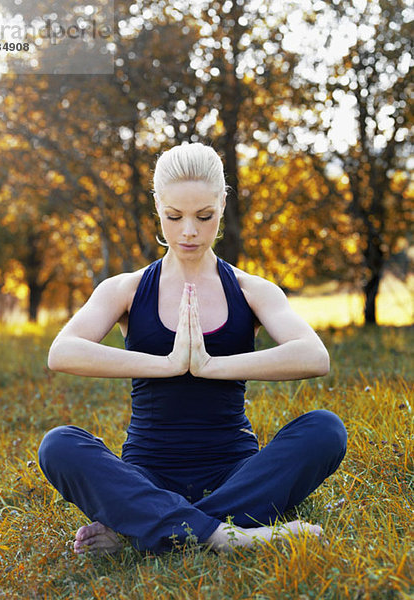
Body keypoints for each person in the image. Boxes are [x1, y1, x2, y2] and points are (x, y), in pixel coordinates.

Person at [38, 142, 347, 555]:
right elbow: (62, 352)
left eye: (204, 216)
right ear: (157, 208)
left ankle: (145, 528)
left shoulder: (252, 290)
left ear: (222, 204)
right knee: (58, 445)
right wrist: (167, 365)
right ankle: (224, 535)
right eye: (174, 216)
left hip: (235, 472)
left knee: (326, 430)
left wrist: (208, 365)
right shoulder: (125, 289)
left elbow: (315, 356)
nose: (189, 231)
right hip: (147, 473)